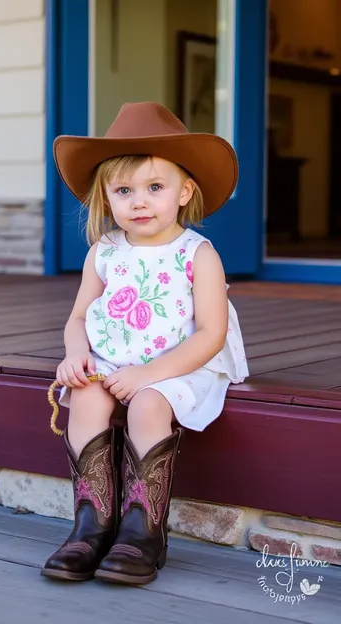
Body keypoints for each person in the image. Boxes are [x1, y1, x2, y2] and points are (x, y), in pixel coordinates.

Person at [41, 102, 248, 586]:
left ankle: (143, 531)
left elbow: (211, 334)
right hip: (114, 359)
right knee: (88, 395)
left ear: (184, 191)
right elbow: (77, 318)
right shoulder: (105, 251)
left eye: (155, 187)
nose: (139, 201)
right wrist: (77, 355)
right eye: (124, 190)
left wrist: (146, 375)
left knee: (148, 406)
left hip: (178, 364)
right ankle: (92, 525)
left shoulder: (196, 254)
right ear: (106, 197)